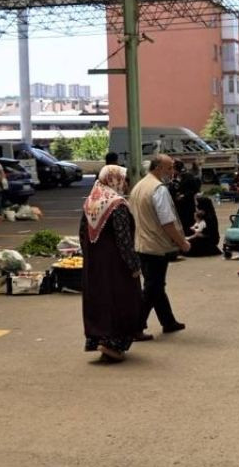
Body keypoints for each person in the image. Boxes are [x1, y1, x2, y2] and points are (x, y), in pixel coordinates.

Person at [79, 165, 141, 362]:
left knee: (98, 300)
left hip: (94, 264)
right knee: (121, 300)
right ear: (115, 180)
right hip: (116, 265)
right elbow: (123, 239)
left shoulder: (91, 201)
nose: (125, 183)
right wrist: (133, 265)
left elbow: (82, 235)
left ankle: (98, 338)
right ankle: (113, 344)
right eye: (123, 179)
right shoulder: (117, 204)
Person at [128, 154, 191, 336]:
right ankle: (136, 326)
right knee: (152, 287)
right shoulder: (158, 189)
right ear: (158, 168)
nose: (172, 172)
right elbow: (167, 222)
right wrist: (182, 242)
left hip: (142, 243)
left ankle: (168, 321)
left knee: (155, 284)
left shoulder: (139, 186)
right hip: (156, 245)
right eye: (169, 168)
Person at [168, 159, 200, 232]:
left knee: (189, 224)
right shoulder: (173, 177)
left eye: (172, 168)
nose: (171, 170)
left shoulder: (188, 176)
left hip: (187, 206)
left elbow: (195, 190)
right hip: (177, 206)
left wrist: (184, 195)